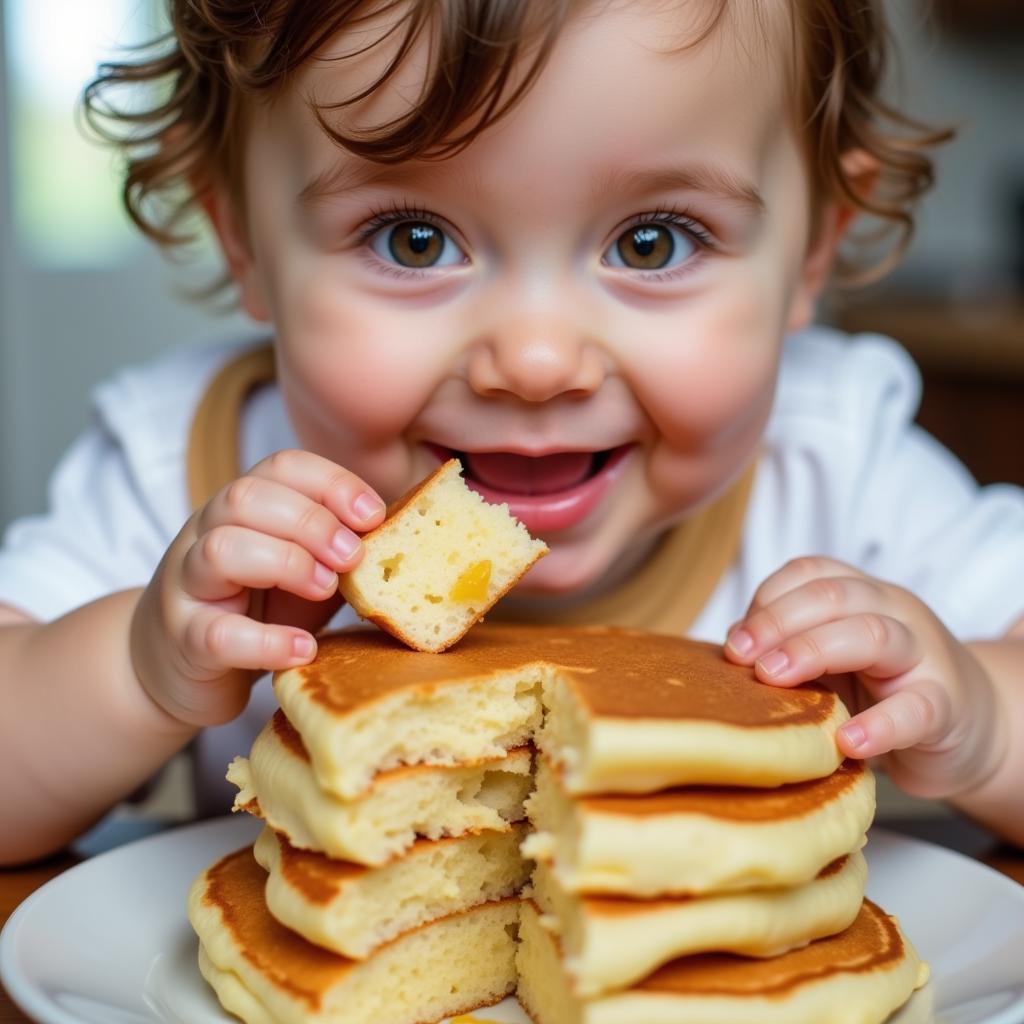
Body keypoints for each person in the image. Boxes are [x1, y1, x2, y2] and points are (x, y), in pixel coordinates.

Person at [1, 0, 1022, 867]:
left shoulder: (834, 463)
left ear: (809, 253)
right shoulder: (179, 473)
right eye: (414, 238)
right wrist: (134, 672)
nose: (536, 361)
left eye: (651, 240)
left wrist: (979, 719)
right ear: (245, 243)